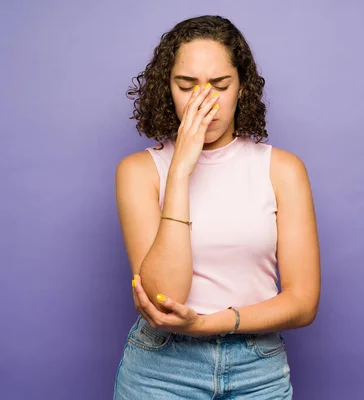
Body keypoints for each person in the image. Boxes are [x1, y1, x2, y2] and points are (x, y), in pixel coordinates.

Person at [112, 15, 321, 399]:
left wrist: (209, 324)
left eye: (220, 85)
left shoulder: (283, 170)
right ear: (167, 89)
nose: (203, 101)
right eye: (185, 85)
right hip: (161, 370)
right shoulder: (139, 172)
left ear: (241, 88)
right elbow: (164, 295)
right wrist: (180, 171)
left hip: (257, 368)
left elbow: (303, 303)